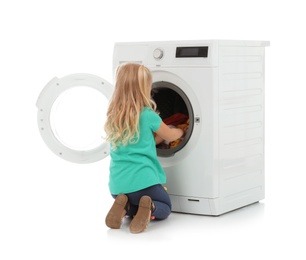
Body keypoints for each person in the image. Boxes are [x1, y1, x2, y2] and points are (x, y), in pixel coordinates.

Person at [104, 63, 185, 233]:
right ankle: (151, 207)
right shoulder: (148, 115)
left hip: (117, 186)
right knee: (165, 206)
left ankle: (124, 206)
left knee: (134, 203)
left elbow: (141, 141)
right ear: (144, 88)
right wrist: (181, 130)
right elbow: (170, 136)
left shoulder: (113, 116)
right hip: (145, 184)